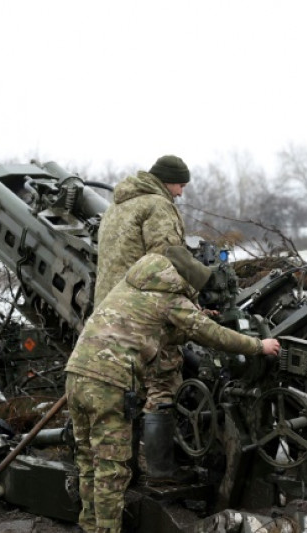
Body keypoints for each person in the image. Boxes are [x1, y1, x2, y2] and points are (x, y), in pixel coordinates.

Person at [66, 246, 281, 533]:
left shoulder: (131, 285)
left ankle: (88, 526)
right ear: (183, 280)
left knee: (88, 461)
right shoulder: (171, 298)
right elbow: (212, 335)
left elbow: (154, 328)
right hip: (109, 383)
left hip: (76, 374)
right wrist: (258, 345)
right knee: (111, 470)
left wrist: (196, 316)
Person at [94, 155, 192, 480]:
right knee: (163, 382)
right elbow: (169, 261)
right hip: (144, 311)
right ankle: (160, 470)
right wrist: (195, 300)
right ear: (167, 181)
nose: (180, 193)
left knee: (125, 390)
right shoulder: (157, 206)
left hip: (110, 312)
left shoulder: (116, 207)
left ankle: (125, 468)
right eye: (179, 185)